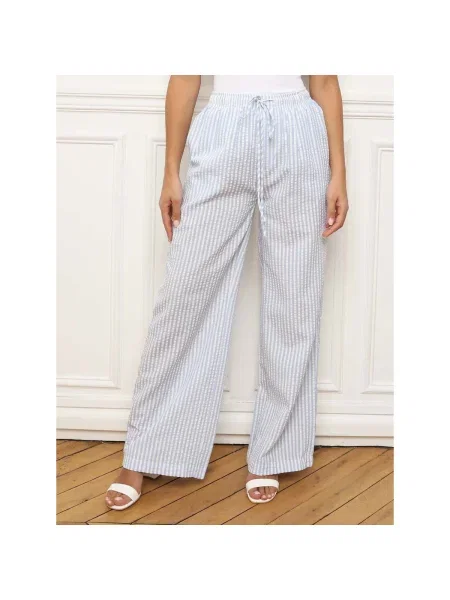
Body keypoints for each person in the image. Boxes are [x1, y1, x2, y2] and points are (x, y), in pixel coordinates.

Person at [105, 75, 348, 510]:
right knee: (185, 298)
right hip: (224, 127)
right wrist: (171, 170)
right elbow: (185, 77)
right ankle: (146, 451)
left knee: (295, 298)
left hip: (299, 131)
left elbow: (325, 82)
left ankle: (273, 451)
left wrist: (339, 173)